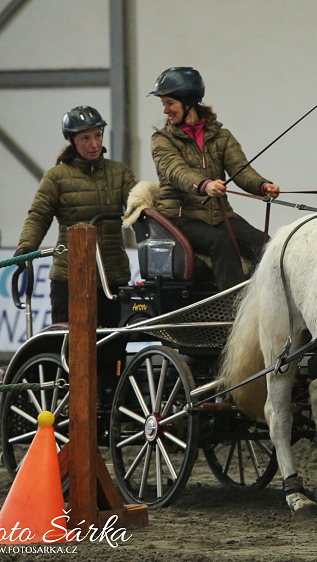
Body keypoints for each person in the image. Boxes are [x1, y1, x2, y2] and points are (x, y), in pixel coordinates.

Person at [14, 105, 137, 404]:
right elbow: (38, 216)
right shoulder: (56, 177)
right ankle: (71, 410)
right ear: (71, 141)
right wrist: (24, 250)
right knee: (71, 352)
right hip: (70, 279)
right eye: (85, 139)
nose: (94, 144)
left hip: (112, 278)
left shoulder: (119, 173)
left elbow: (139, 207)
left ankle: (111, 406)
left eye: (97, 136)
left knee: (113, 350)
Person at [148, 66, 280, 290]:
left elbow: (241, 170)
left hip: (219, 216)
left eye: (169, 103)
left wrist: (262, 186)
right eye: (164, 104)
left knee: (268, 245)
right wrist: (204, 185)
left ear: (188, 100)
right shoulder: (162, 140)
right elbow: (176, 171)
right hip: (181, 217)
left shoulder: (222, 136)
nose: (165, 111)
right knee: (221, 241)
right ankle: (234, 309)